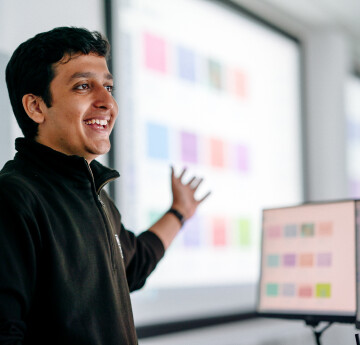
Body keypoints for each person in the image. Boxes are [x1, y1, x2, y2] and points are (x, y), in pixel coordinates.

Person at [0, 27, 210, 345]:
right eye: (84, 86)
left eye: (108, 86)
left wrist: (179, 212)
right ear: (36, 107)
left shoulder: (95, 194)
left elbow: (133, 264)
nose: (107, 101)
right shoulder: (14, 198)